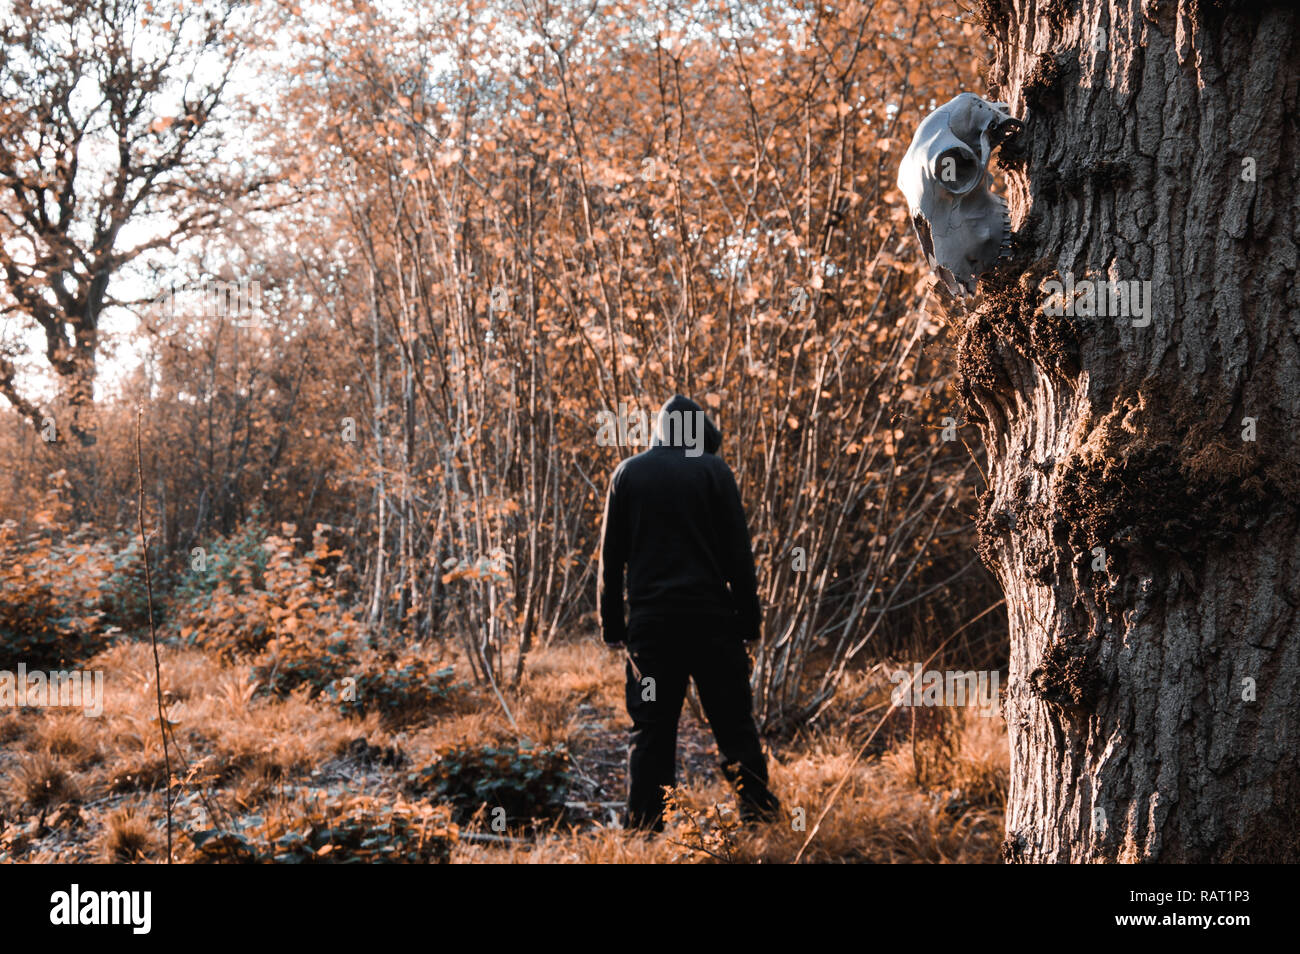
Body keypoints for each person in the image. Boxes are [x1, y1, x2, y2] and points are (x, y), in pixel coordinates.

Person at [598, 394, 780, 831]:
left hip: (651, 631)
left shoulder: (628, 474)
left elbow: (610, 560)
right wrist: (749, 622)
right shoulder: (714, 471)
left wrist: (613, 626)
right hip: (713, 625)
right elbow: (740, 556)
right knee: (734, 724)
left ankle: (644, 829)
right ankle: (757, 816)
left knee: (651, 729)